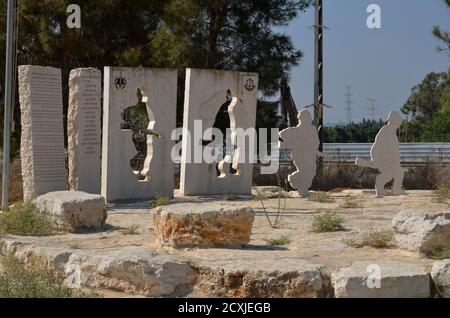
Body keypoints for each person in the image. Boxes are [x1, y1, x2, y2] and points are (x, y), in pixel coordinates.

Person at [355, 111, 405, 197]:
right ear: (394, 121)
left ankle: (394, 190)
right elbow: (377, 147)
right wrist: (378, 160)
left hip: (388, 159)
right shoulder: (386, 131)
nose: (399, 124)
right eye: (398, 122)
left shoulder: (391, 132)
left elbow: (395, 150)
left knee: (394, 173)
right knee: (394, 173)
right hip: (382, 157)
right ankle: (387, 188)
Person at [279, 110, 322, 197]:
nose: (310, 119)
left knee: (312, 171)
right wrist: (293, 142)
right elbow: (281, 134)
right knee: (304, 171)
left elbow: (316, 142)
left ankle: (294, 179)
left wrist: (310, 146)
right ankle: (301, 188)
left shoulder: (312, 129)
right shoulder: (296, 130)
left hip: (310, 154)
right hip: (299, 154)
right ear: (302, 119)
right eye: (308, 117)